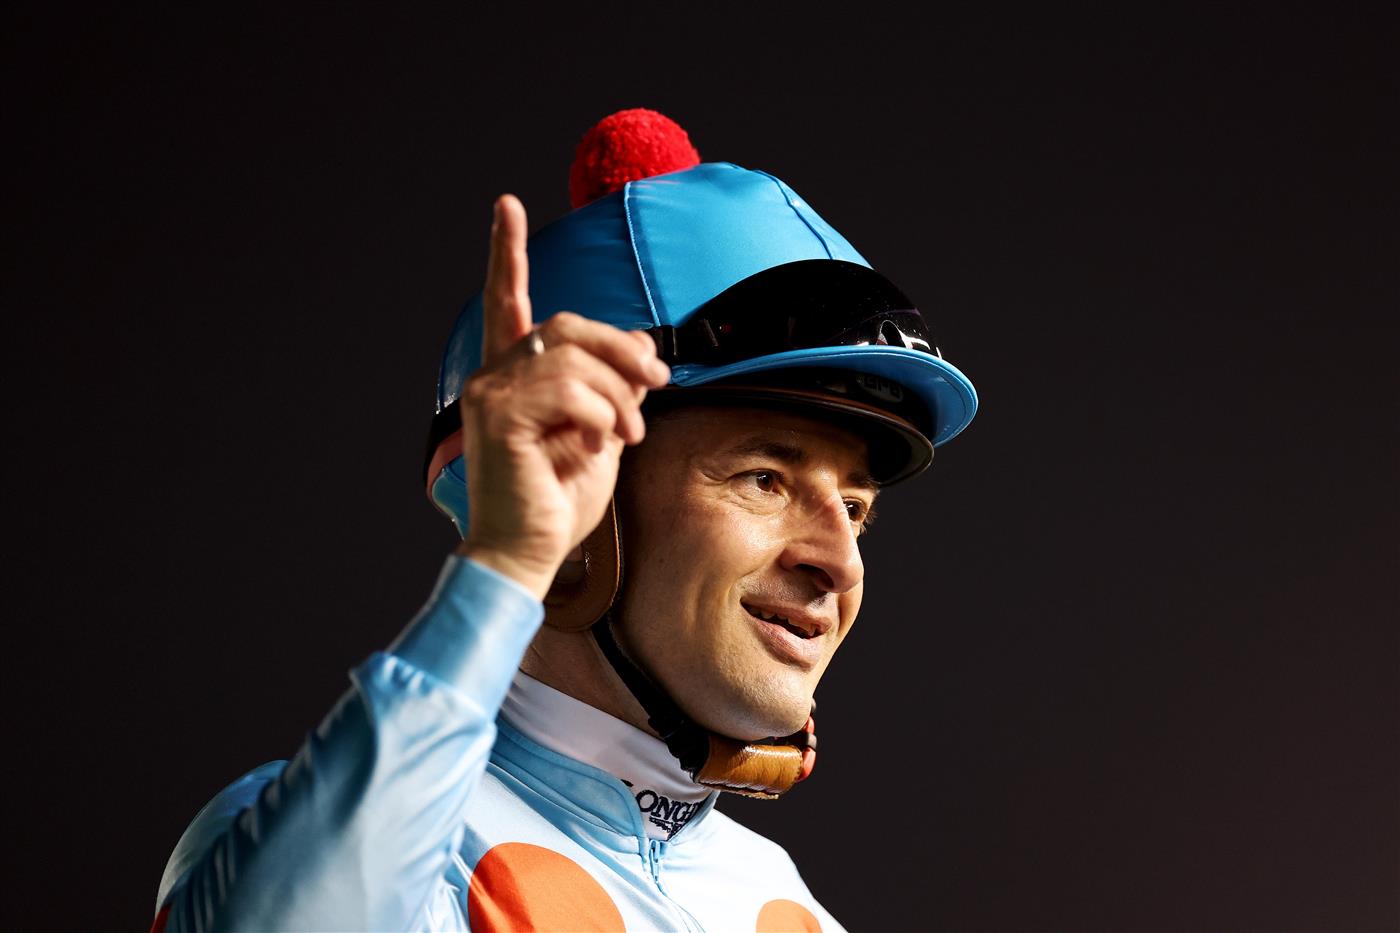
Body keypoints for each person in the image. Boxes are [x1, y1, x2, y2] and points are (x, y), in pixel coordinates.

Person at [151, 109, 977, 932]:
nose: (840, 559)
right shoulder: (305, 840)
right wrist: (506, 561)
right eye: (764, 478)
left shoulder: (789, 903)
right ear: (580, 520)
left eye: (858, 508)